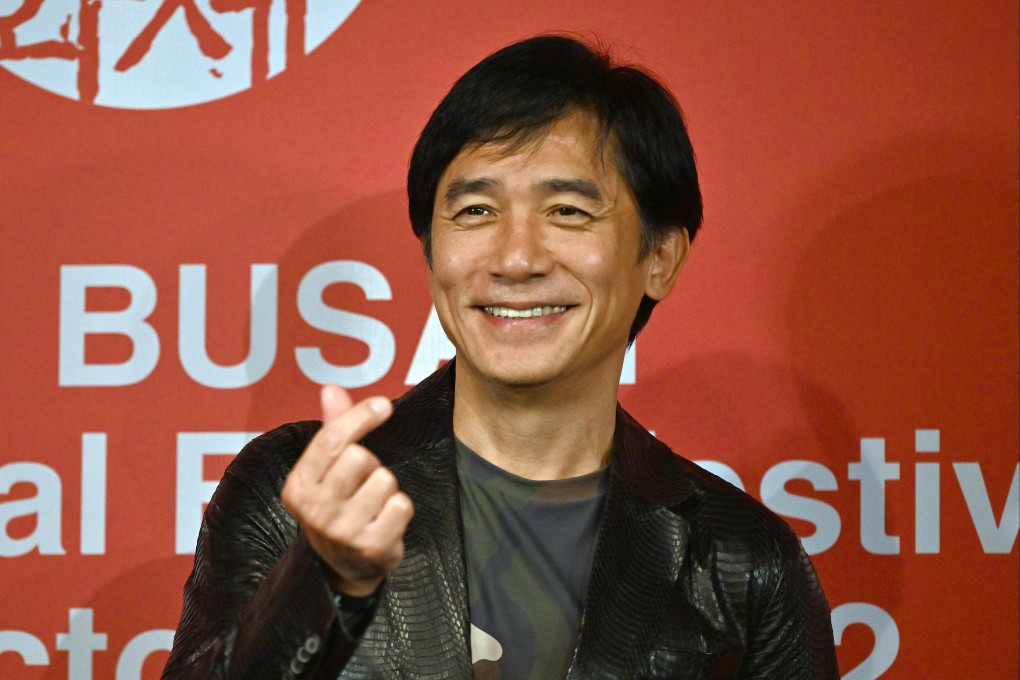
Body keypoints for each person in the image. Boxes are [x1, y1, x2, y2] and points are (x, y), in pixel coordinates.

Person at [162, 35, 839, 680]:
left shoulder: (740, 559)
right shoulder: (295, 493)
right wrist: (325, 579)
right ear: (431, 249)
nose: (515, 259)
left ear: (660, 256)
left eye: (569, 212)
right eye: (476, 211)